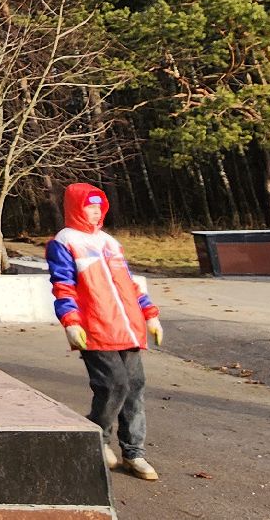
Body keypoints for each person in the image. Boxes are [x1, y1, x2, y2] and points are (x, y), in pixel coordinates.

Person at [46, 181, 164, 480]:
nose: (96, 212)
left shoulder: (110, 242)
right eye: (90, 206)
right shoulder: (65, 241)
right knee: (114, 385)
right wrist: (71, 322)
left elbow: (130, 283)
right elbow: (63, 285)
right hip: (96, 328)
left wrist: (150, 315)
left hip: (129, 328)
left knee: (135, 387)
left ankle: (134, 452)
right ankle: (97, 436)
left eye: (100, 207)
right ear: (76, 207)